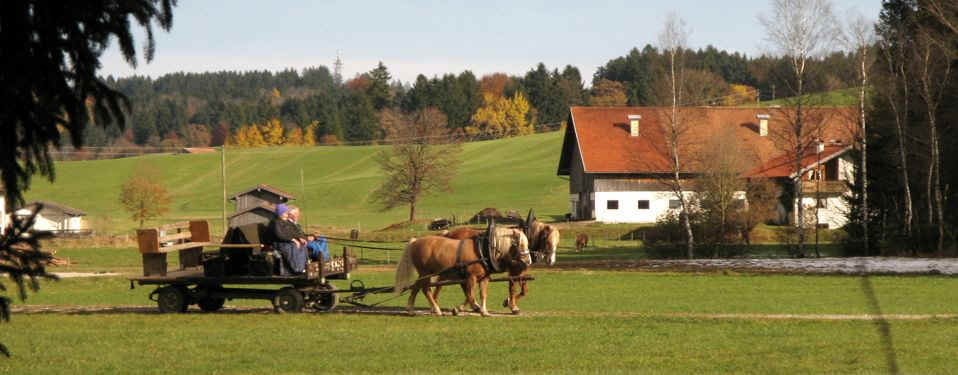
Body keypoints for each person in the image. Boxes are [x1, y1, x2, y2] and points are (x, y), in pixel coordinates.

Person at [269, 204, 308, 275]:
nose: (287, 215)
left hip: (287, 242)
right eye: (285, 213)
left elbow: (292, 232)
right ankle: (296, 269)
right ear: (280, 213)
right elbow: (280, 235)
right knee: (292, 247)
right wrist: (292, 240)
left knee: (302, 245)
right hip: (279, 243)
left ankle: (303, 267)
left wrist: (300, 238)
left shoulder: (286, 222)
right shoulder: (275, 223)